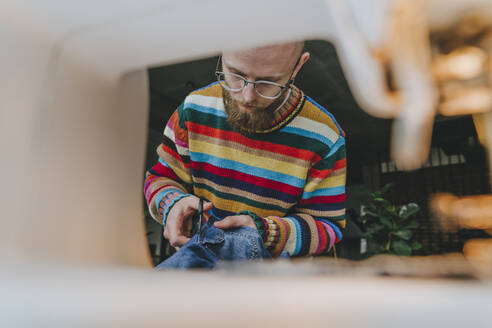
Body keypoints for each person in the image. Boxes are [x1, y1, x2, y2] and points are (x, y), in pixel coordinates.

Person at [144, 41, 346, 268]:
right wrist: (172, 203)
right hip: (198, 274)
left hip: (272, 286)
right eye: (235, 74)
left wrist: (266, 233)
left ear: (298, 66)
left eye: (269, 81)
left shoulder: (325, 136)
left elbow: (328, 227)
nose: (248, 96)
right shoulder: (193, 109)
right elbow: (160, 178)